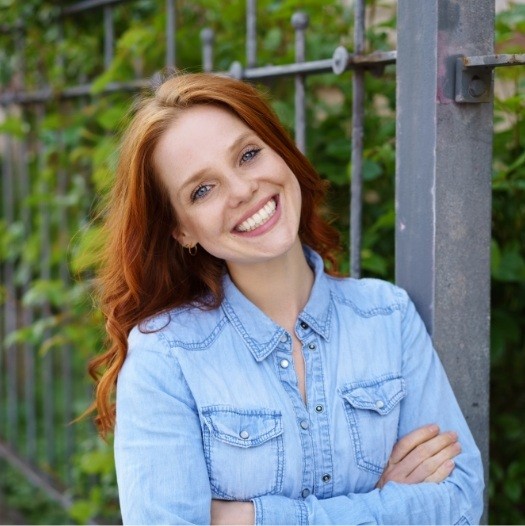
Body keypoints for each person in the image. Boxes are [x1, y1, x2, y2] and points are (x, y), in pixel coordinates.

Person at [89, 72, 484, 525]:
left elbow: (461, 503)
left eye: (249, 155)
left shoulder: (387, 317)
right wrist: (385, 503)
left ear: (282, 151)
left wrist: (248, 518)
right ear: (181, 230)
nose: (242, 190)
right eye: (202, 190)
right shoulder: (167, 356)